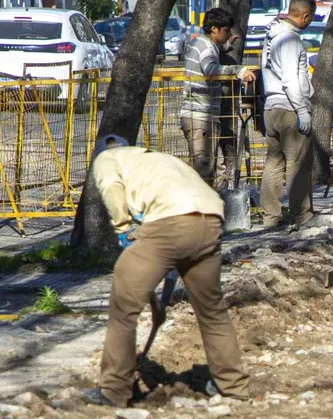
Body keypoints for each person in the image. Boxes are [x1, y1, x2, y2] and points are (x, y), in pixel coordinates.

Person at [81, 135, 250, 407]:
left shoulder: (106, 158)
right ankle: (233, 385)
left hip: (169, 222)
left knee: (124, 308)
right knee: (212, 310)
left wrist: (123, 229)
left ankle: (114, 389)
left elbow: (112, 187)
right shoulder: (159, 160)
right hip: (211, 218)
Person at [180, 7, 256, 187]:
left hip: (203, 116)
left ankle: (216, 210)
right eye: (225, 31)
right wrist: (239, 71)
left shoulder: (201, 43)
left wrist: (225, 46)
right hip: (199, 116)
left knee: (216, 168)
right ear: (214, 29)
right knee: (204, 170)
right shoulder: (206, 47)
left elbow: (208, 57)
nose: (228, 33)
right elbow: (210, 69)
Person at [260, 0, 316, 228]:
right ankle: (301, 216)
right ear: (304, 16)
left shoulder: (271, 35)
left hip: (271, 108)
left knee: (274, 163)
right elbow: (291, 81)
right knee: (297, 163)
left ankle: (270, 217)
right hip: (289, 109)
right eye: (310, 18)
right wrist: (302, 110)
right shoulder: (290, 40)